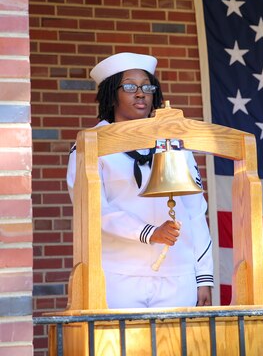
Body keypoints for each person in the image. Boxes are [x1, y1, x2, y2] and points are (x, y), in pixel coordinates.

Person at [67, 52, 213, 308]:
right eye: (130, 87)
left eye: (147, 87)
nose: (140, 93)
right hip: (117, 275)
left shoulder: (175, 144)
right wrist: (149, 233)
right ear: (112, 93)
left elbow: (196, 211)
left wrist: (203, 276)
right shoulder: (88, 146)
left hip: (177, 274)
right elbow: (93, 210)